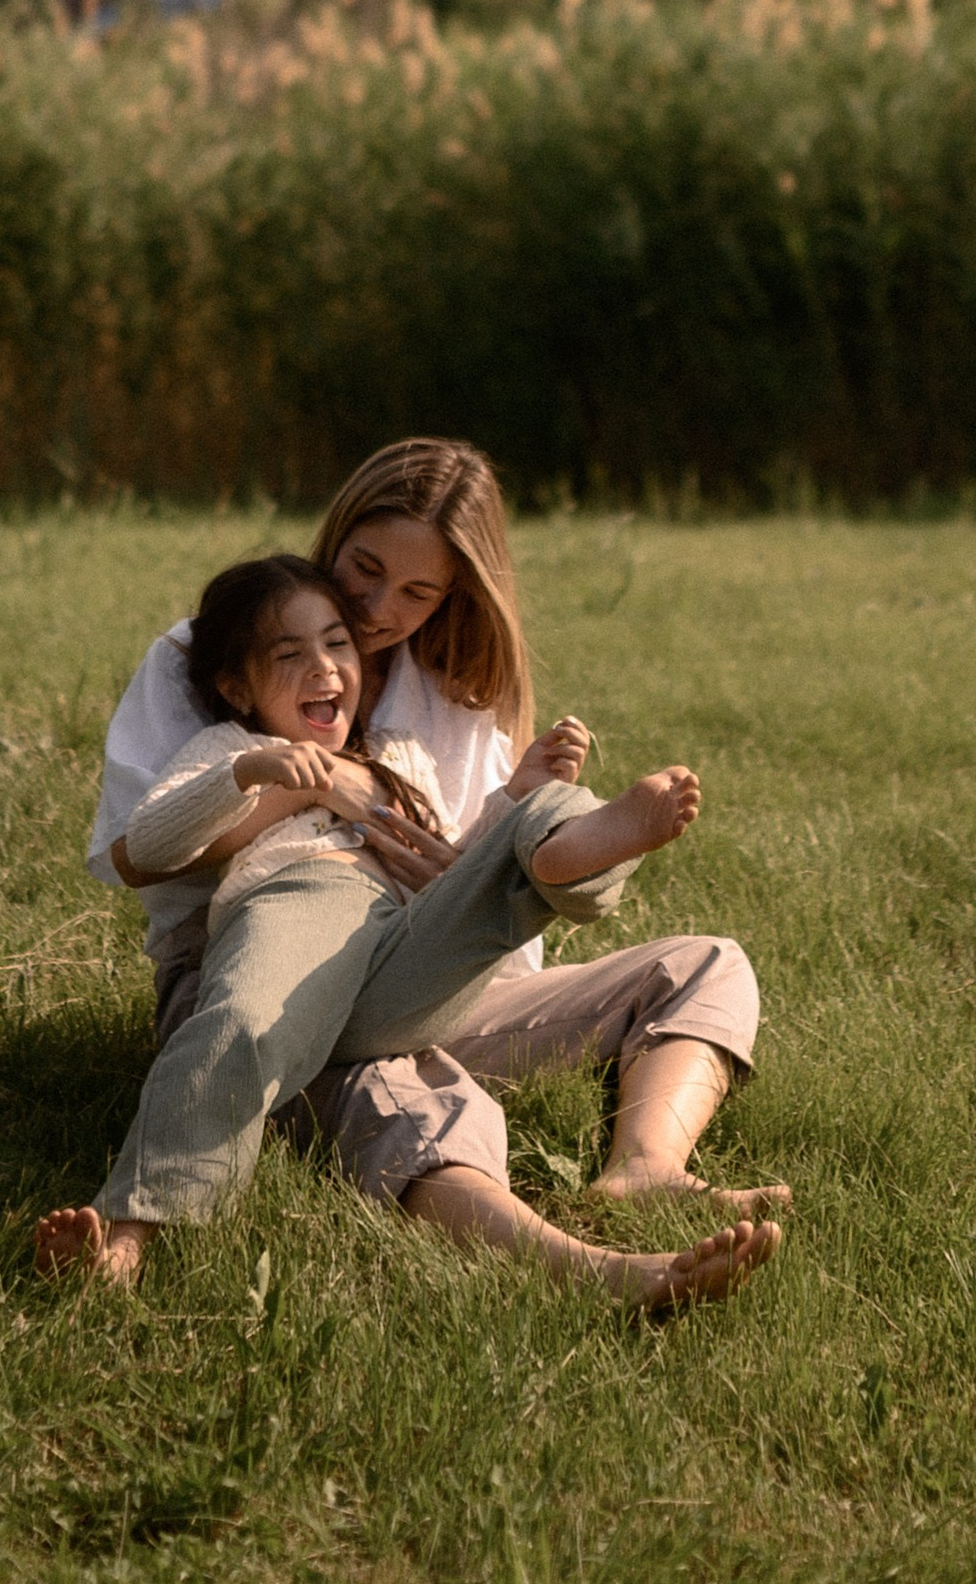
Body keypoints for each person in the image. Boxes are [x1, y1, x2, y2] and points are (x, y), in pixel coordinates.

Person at [84, 435, 789, 1302]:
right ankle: (596, 1273)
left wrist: (472, 846)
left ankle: (643, 1160)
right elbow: (136, 854)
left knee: (703, 963)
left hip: (420, 953)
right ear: (336, 532)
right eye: (366, 569)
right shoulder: (219, 651)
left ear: (454, 591)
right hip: (261, 962)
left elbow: (481, 903)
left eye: (417, 592)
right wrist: (305, 784)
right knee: (410, 1093)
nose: (379, 609)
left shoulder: (440, 700)